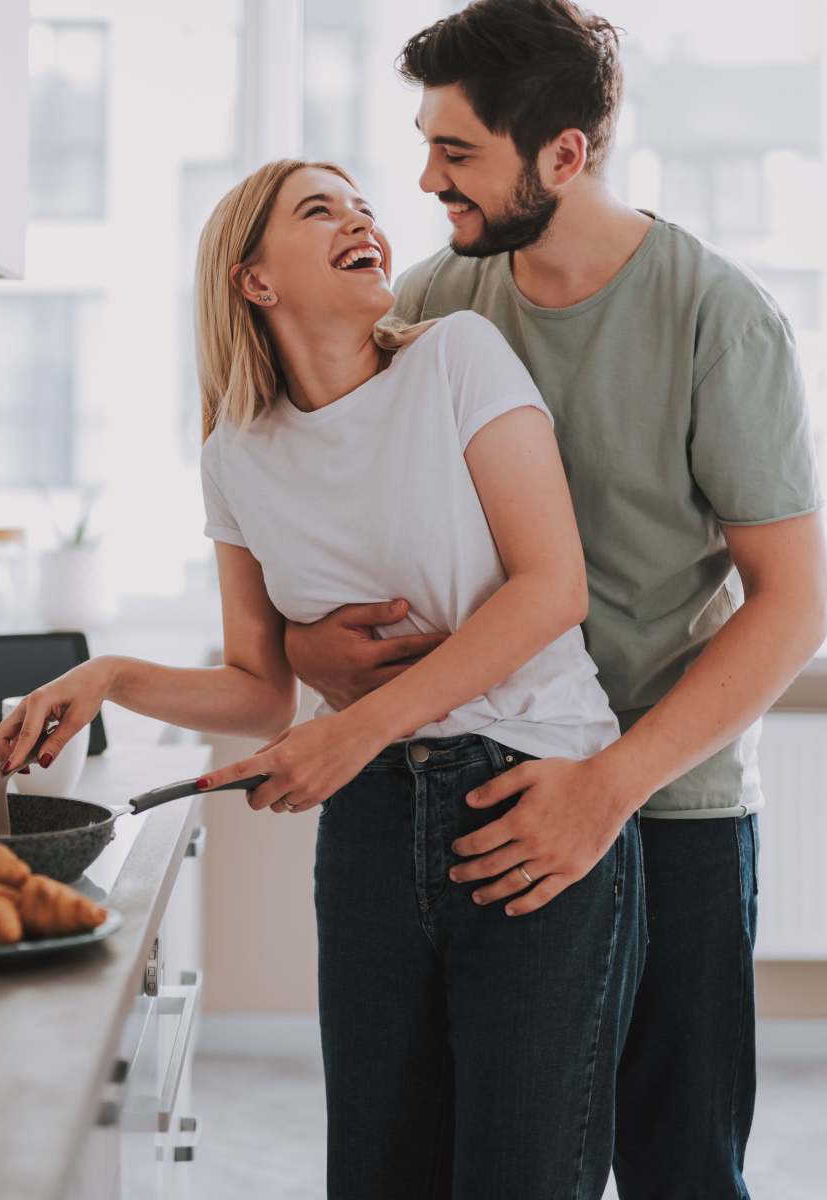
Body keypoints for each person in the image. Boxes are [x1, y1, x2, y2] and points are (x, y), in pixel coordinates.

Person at [0, 158, 644, 1199]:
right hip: (372, 829)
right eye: (319, 209)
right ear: (254, 280)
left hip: (530, 792)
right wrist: (110, 673)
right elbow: (257, 686)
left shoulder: (456, 361)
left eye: (362, 208)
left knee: (520, 1174)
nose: (362, 221)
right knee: (379, 1171)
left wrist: (350, 730)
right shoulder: (236, 454)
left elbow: (550, 589)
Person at [279, 3, 827, 1198]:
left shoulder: (715, 319)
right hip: (483, 798)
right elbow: (325, 495)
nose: (423, 179)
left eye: (458, 152)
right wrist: (299, 638)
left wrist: (607, 788)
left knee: (680, 1168)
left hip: (667, 807)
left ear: (564, 154)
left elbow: (792, 603)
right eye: (425, 145)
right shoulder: (432, 303)